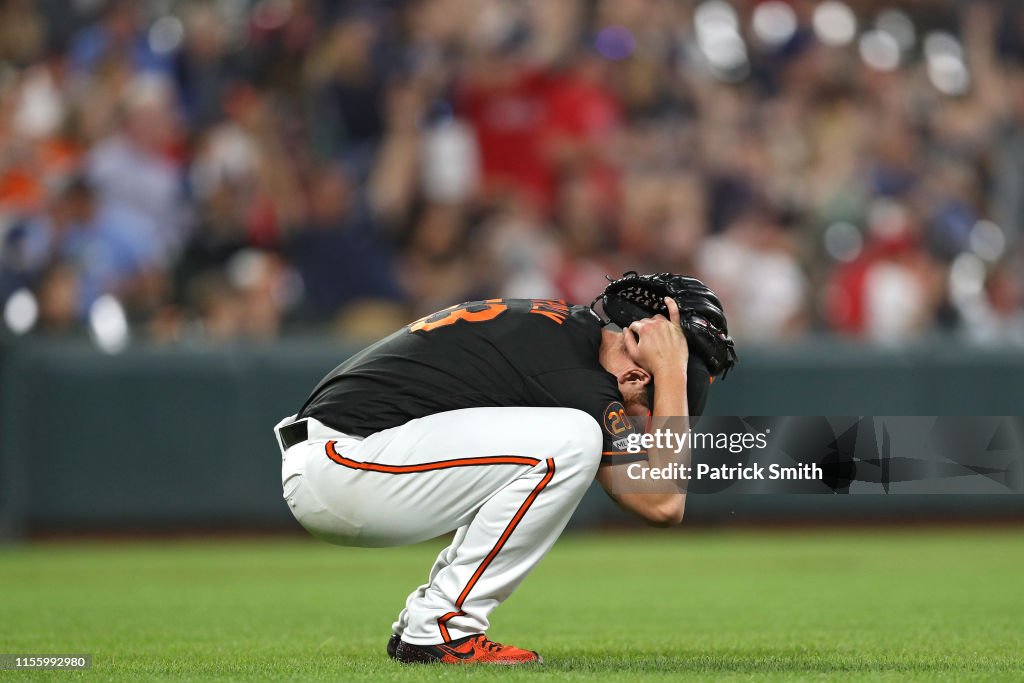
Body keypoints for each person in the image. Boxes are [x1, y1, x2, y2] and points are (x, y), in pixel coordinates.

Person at [274, 294, 694, 665]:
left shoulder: (562, 330)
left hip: (345, 457)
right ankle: (442, 627)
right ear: (639, 376)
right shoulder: (574, 374)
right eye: (649, 408)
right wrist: (674, 371)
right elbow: (660, 502)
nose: (642, 424)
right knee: (574, 438)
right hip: (343, 466)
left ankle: (428, 622)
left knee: (551, 444)